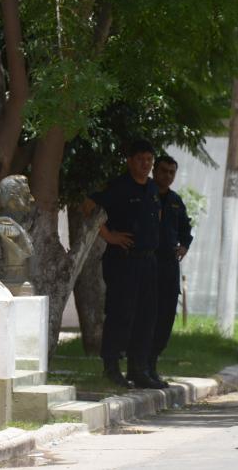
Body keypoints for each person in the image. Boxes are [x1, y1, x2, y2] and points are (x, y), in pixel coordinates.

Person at [85, 139, 166, 389]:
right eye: (140, 159)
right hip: (123, 260)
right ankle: (111, 367)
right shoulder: (119, 186)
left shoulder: (152, 188)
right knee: (121, 313)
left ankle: (138, 369)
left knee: (146, 316)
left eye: (149, 160)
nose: (145, 164)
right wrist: (108, 235)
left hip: (148, 261)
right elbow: (88, 205)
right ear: (130, 160)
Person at [147, 155, 193, 389]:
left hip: (168, 266)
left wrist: (184, 246)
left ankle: (152, 364)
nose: (167, 176)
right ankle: (140, 366)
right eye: (163, 171)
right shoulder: (146, 193)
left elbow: (186, 230)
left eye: (171, 172)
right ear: (155, 170)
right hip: (146, 264)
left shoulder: (175, 201)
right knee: (146, 317)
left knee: (165, 319)